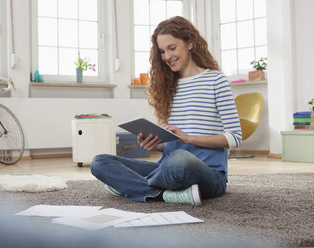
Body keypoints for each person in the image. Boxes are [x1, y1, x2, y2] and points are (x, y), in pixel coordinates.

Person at [90, 16, 242, 206]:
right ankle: (163, 194)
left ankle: (130, 187)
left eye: (172, 48)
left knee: (180, 160)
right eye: (162, 51)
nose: (167, 56)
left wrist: (189, 138)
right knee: (99, 162)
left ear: (190, 43)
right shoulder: (168, 86)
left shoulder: (216, 80)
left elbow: (235, 137)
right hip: (165, 167)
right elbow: (172, 143)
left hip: (207, 174)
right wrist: (155, 145)